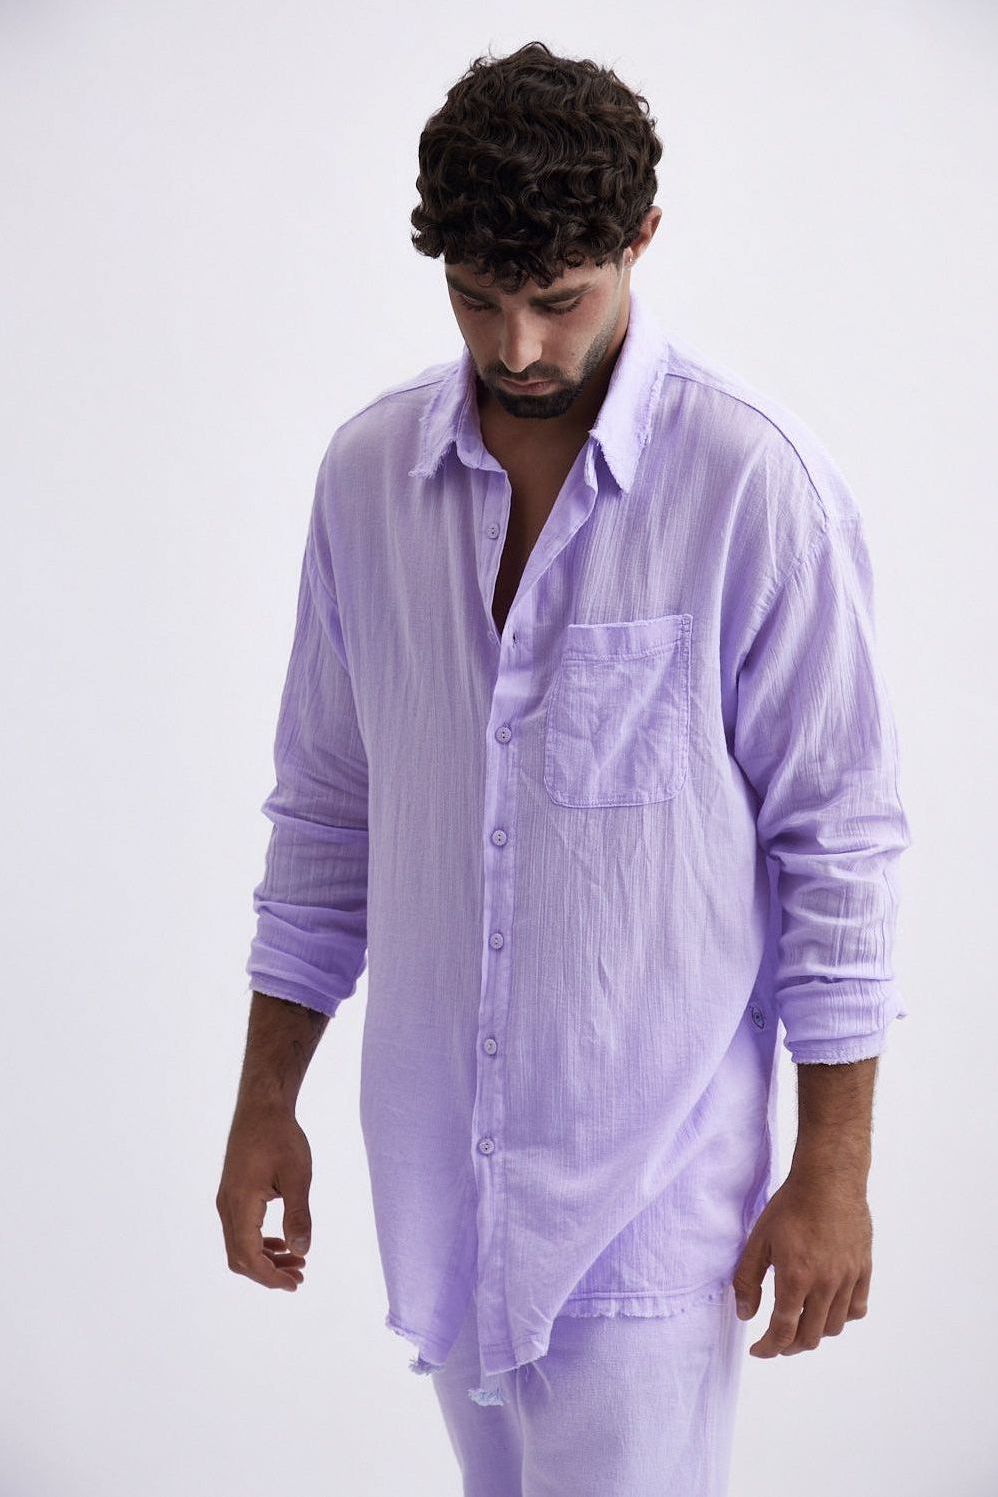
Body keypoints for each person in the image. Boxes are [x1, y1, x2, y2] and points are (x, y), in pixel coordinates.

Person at [216, 39, 912, 1497]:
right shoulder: (365, 482)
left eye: (560, 299)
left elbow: (837, 844)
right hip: (443, 1195)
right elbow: (328, 813)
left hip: (652, 1201)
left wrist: (833, 1171)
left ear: (639, 241)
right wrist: (265, 1096)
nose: (519, 347)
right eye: (479, 299)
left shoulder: (751, 485)